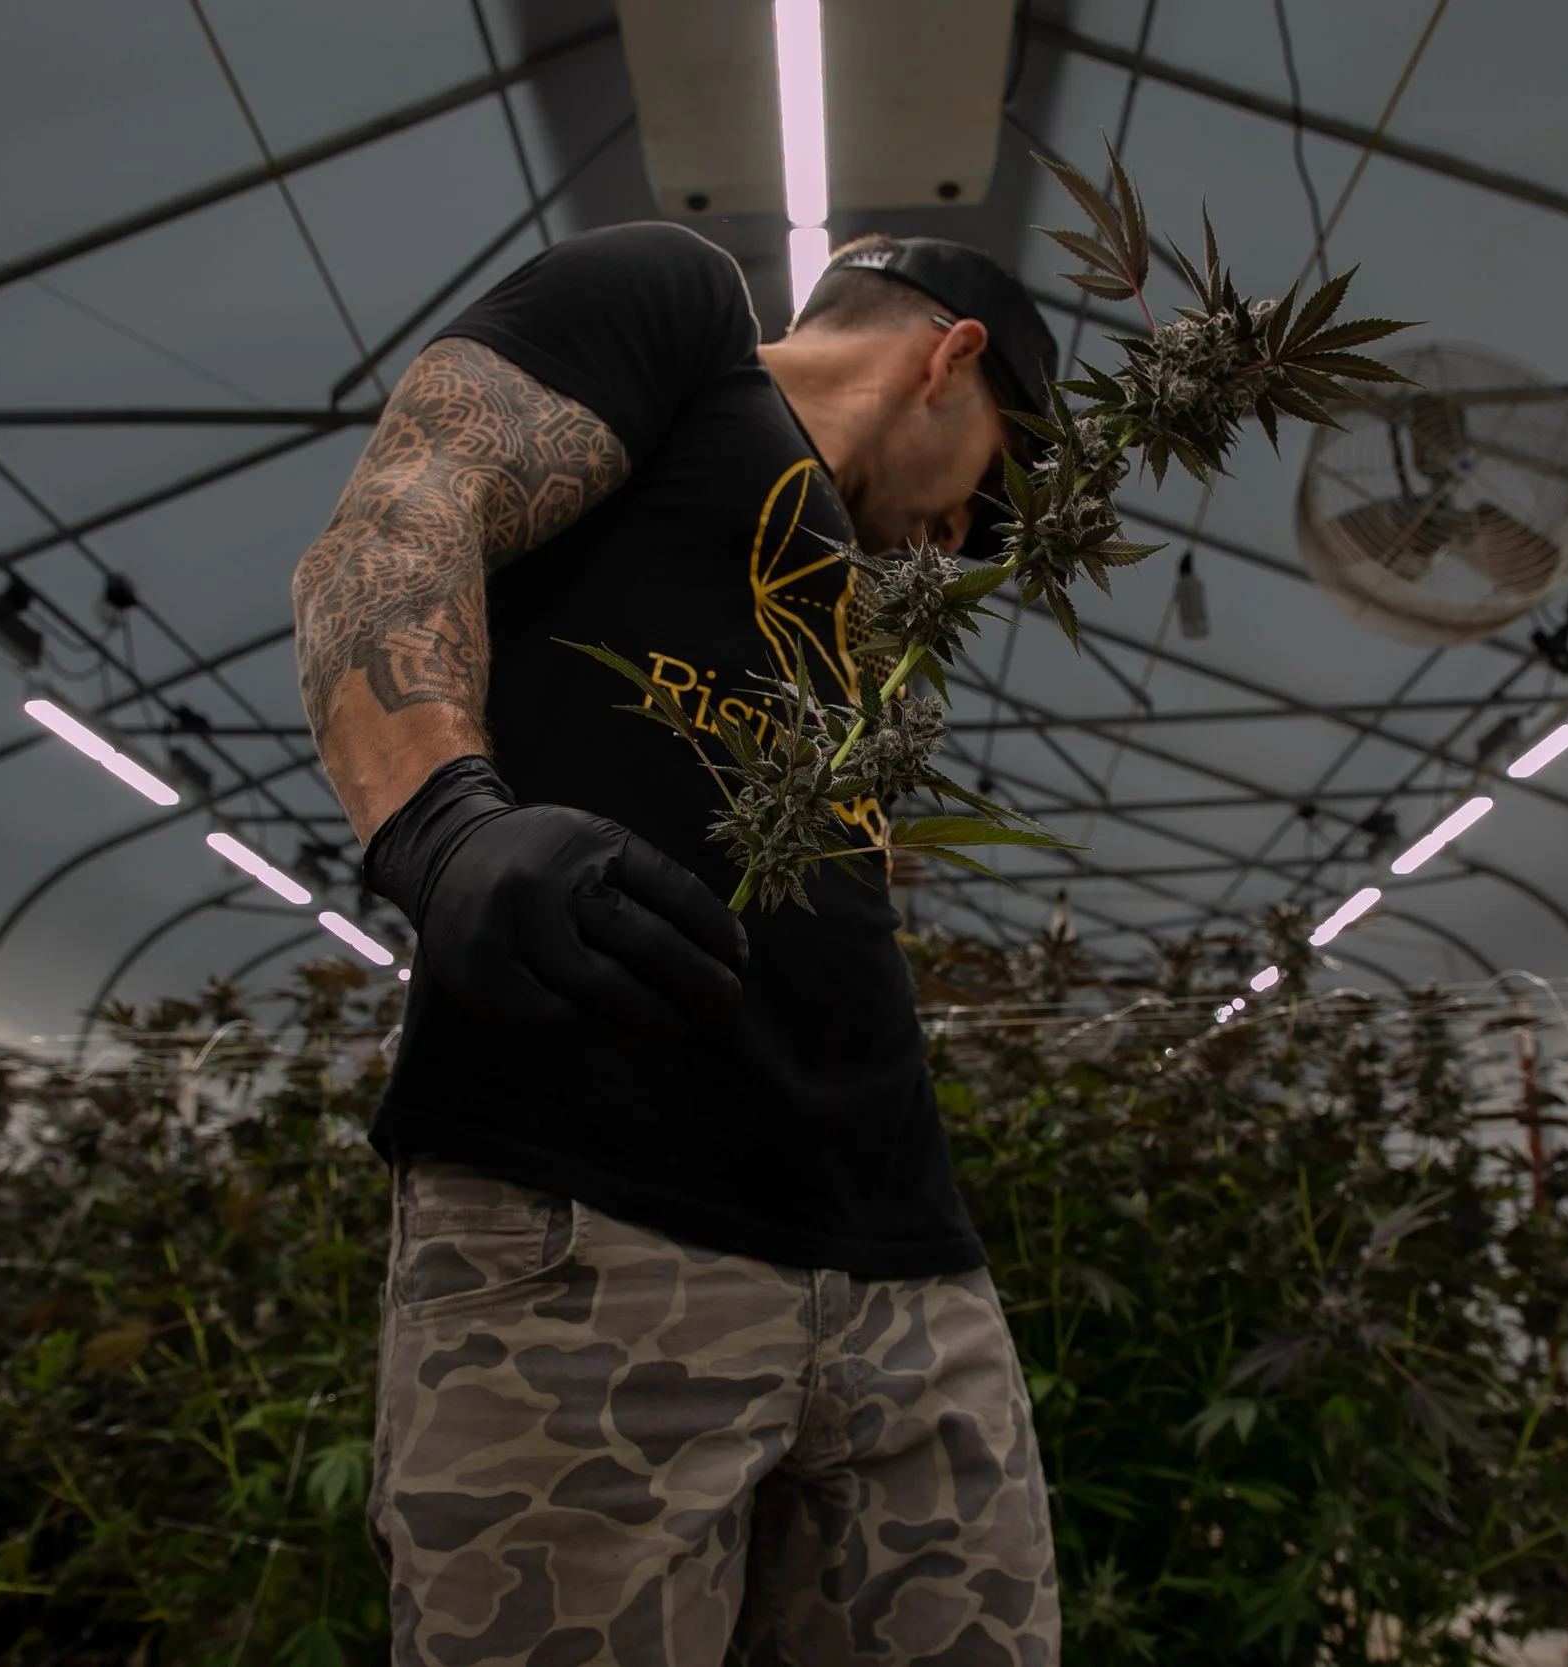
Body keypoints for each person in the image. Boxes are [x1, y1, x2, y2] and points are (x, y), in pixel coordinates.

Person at [292, 223, 1062, 1666]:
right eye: (991, 488)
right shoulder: (679, 320)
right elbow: (401, 515)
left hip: (903, 1257)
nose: (963, 543)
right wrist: (445, 827)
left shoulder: (855, 619)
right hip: (595, 1225)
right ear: (952, 356)